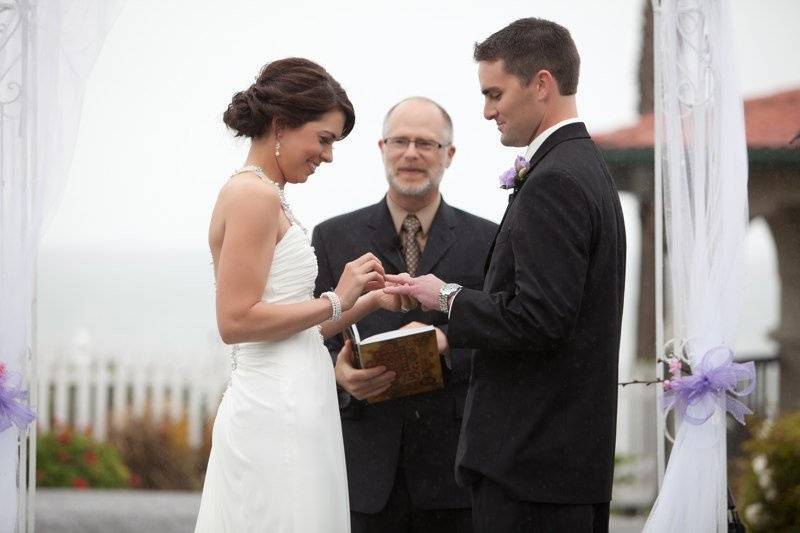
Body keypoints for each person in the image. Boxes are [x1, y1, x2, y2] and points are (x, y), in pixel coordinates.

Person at [386, 18, 627, 533]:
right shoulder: (585, 168)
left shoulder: (555, 181)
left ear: (541, 84)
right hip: (564, 465)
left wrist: (445, 296)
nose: (487, 110)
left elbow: (540, 318)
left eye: (495, 93)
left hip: (531, 468)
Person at [195, 57, 404, 533]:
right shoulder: (254, 197)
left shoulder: (270, 194)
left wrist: (365, 301)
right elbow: (236, 322)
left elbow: (291, 330)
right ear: (281, 125)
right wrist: (337, 296)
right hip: (275, 410)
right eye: (324, 139)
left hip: (296, 398)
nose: (327, 156)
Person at [312, 96, 497, 533]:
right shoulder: (334, 236)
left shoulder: (488, 239)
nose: (411, 153)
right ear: (381, 148)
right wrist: (338, 374)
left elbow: (503, 330)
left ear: (449, 155)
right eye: (400, 141)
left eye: (426, 143)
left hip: (455, 468)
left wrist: (449, 346)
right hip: (363, 466)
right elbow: (311, 332)